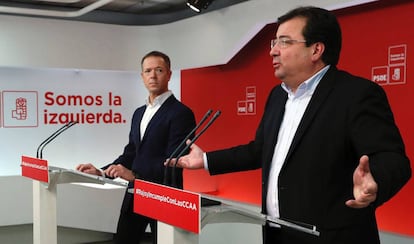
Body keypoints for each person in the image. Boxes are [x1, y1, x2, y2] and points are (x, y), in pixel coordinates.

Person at [166, 6, 411, 244]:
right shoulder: (277, 96)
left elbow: (393, 159)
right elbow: (260, 150)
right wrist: (206, 160)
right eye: (274, 43)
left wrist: (375, 182)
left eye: (284, 42)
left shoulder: (356, 94)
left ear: (316, 50)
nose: (273, 51)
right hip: (277, 234)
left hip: (332, 237)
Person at [77, 50, 196, 244]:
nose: (153, 75)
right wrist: (101, 171)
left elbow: (175, 161)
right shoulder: (139, 113)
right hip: (135, 194)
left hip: (166, 196)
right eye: (148, 71)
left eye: (159, 70)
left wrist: (136, 176)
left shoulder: (181, 113)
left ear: (169, 74)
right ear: (142, 77)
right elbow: (131, 153)